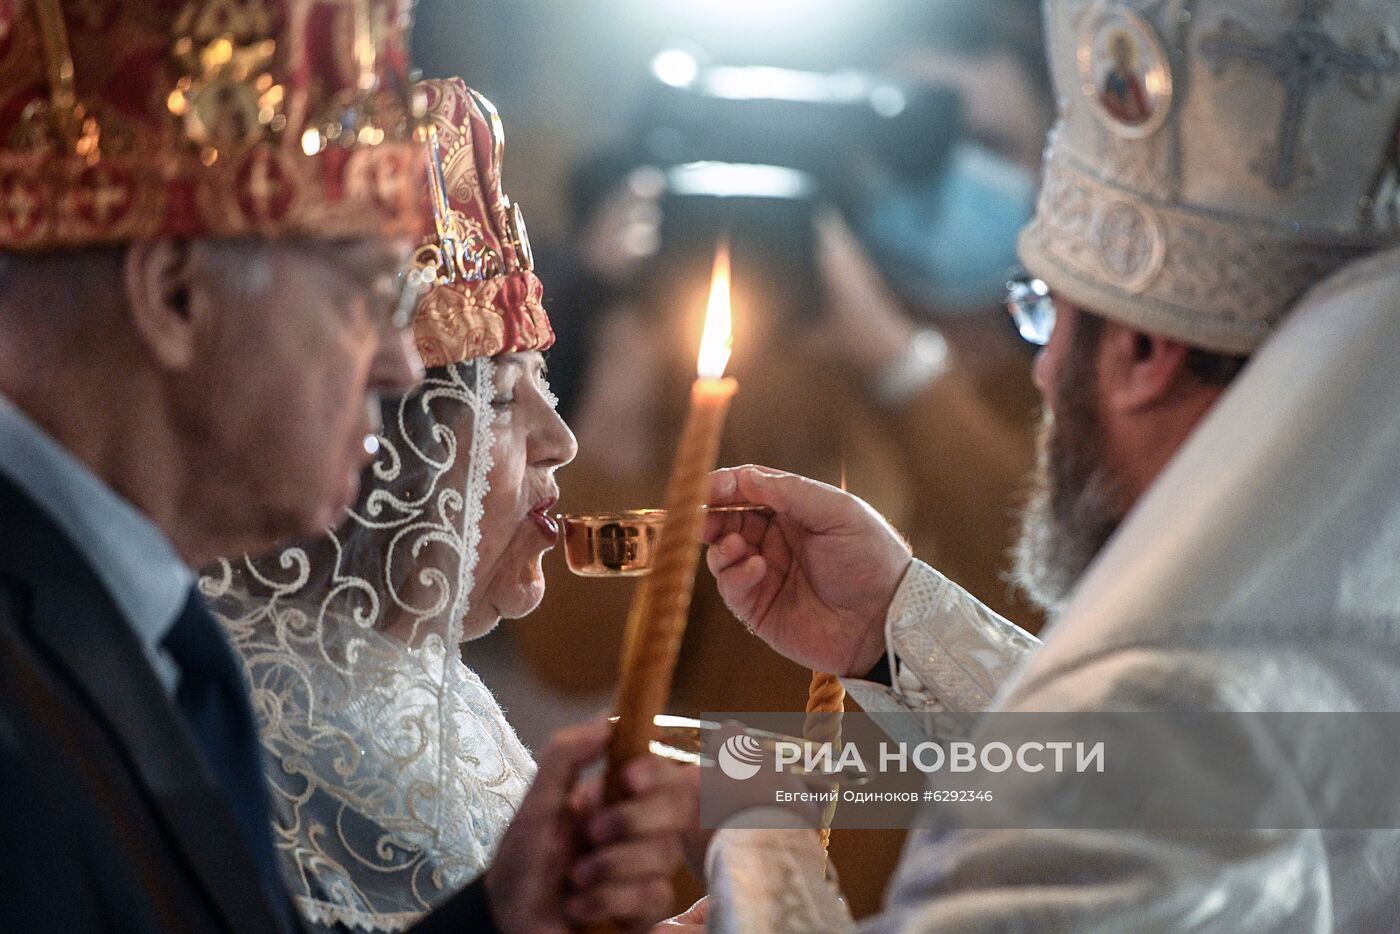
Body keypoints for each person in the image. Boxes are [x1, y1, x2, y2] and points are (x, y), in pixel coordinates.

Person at [694, 0, 1400, 929]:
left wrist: (758, 855)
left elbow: (1113, 788)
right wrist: (895, 627)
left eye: (1046, 312)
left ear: (1143, 352)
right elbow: (1139, 765)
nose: (1039, 361)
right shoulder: (1339, 650)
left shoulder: (1161, 713)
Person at [0, 5, 686, 932]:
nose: (401, 366)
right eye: (363, 294)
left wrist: (503, 922)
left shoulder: (161, 628)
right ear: (175, 294)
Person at [205, 77, 699, 932]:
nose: (561, 439)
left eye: (543, 383)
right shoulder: (268, 747)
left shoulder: (420, 693)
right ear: (385, 448)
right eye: (504, 398)